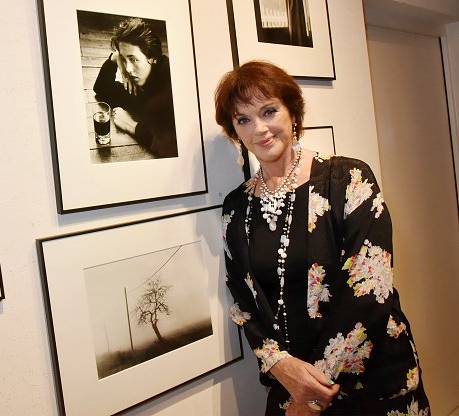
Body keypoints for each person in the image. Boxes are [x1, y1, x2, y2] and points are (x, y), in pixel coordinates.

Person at [215, 61, 430, 415]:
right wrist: (280, 366)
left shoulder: (349, 179)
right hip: (291, 384)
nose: (260, 129)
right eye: (244, 120)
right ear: (235, 131)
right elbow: (241, 298)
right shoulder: (235, 208)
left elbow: (369, 286)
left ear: (292, 112)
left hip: (374, 382)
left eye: (269, 111)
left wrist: (312, 393)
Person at [93, 17, 178, 158]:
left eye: (133, 59)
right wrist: (115, 59)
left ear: (153, 58)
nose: (128, 69)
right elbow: (102, 88)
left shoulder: (169, 78)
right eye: (124, 60)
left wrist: (130, 125)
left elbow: (171, 145)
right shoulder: (135, 82)